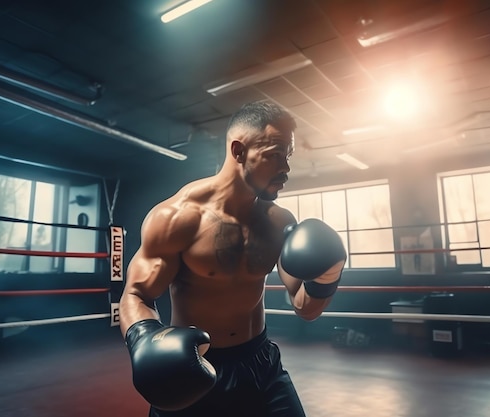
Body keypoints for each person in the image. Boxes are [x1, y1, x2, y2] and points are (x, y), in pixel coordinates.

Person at [119, 101, 347, 417]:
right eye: (275, 155)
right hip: (191, 366)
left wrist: (325, 279)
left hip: (261, 364)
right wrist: (144, 338)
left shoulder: (279, 222)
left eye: (288, 156)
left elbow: (305, 308)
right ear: (239, 151)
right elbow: (136, 294)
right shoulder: (177, 218)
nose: (286, 168)